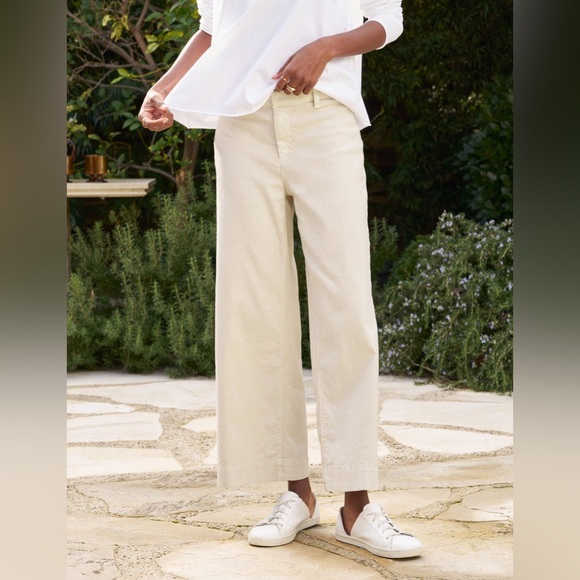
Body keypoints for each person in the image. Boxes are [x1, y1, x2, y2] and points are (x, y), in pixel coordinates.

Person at [138, 0, 422, 559]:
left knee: (347, 309)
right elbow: (214, 29)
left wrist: (325, 48)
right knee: (257, 308)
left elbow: (387, 19)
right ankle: (296, 493)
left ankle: (357, 506)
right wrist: (164, 86)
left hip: (326, 116)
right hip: (243, 126)